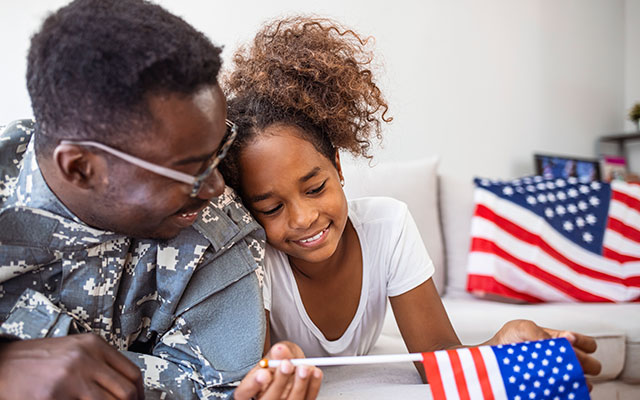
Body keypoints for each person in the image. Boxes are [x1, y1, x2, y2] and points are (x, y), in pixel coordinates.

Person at [219, 16, 602, 384]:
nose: (303, 218)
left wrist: (504, 342)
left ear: (337, 165)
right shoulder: (255, 255)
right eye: (271, 208)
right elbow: (259, 372)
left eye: (315, 188)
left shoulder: (388, 227)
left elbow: (436, 356)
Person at [0, 1, 322, 399]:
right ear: (81, 168)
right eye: (189, 169)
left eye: (219, 151)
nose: (216, 187)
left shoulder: (216, 231)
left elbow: (218, 388)